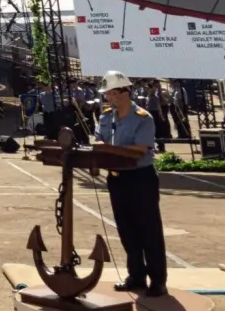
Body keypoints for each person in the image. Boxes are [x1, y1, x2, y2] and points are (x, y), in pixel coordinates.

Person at [94, 70, 167, 298]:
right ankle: (136, 276)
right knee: (126, 230)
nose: (109, 98)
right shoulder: (106, 117)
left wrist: (110, 149)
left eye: (112, 93)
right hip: (117, 179)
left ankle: (158, 281)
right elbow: (99, 140)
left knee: (149, 230)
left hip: (140, 178)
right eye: (107, 94)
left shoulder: (143, 117)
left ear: (125, 92)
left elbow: (141, 149)